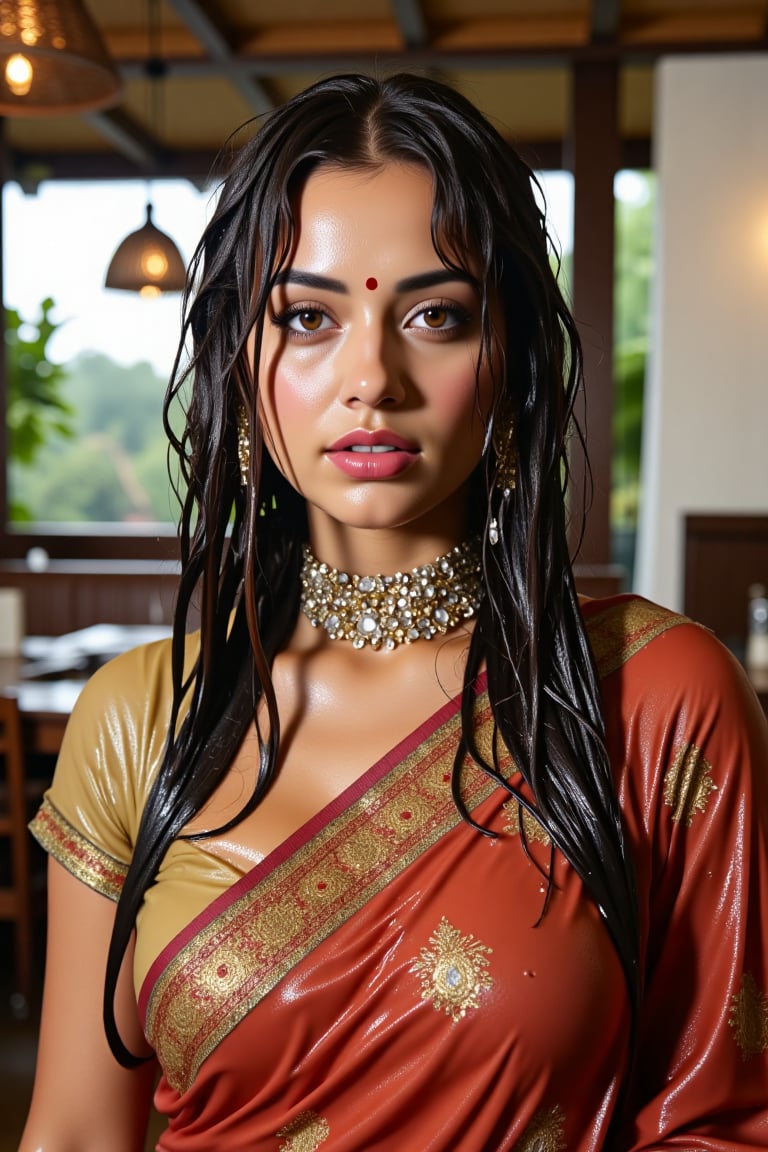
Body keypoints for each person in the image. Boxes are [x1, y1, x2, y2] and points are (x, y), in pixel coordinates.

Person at [20, 72, 768, 1152]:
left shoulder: (653, 697)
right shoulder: (143, 719)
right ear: (244, 358)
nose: (371, 375)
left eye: (434, 314)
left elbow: (726, 1126)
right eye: (310, 317)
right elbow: (77, 1137)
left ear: (506, 360)